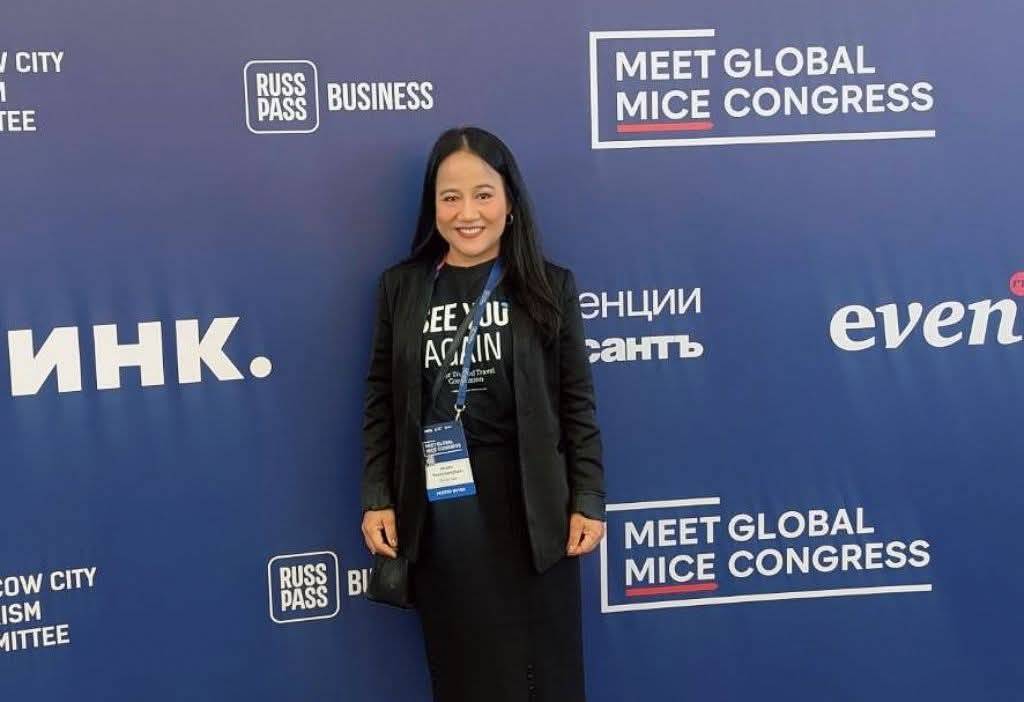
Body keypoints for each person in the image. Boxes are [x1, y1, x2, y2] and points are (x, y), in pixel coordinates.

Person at [360, 126, 606, 702]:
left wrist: (588, 497)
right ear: (433, 206)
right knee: (465, 667)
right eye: (450, 197)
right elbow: (381, 400)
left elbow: (576, 399)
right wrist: (377, 495)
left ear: (510, 202)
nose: (467, 213)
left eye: (483, 194)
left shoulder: (548, 286)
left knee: (546, 672)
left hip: (533, 501)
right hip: (442, 502)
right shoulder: (402, 288)